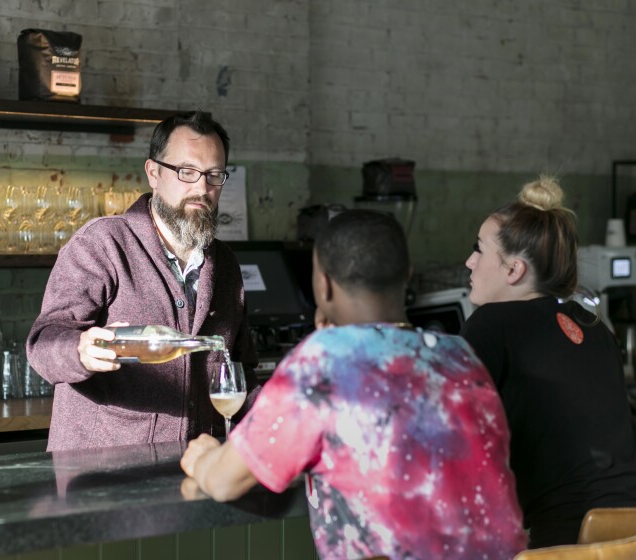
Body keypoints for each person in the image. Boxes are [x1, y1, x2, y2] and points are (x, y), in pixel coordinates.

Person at [180, 209, 527, 560]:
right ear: (406, 276)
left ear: (323, 285)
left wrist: (204, 458)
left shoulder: (322, 361)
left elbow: (225, 481)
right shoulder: (461, 357)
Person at [27, 110, 259, 451]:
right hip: (102, 471)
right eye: (187, 172)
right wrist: (81, 350)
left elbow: (241, 372)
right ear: (153, 173)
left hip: (194, 469)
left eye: (214, 175)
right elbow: (43, 342)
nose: (202, 188)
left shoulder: (225, 264)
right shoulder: (102, 243)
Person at [460, 175, 636, 548]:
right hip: (628, 531)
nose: (470, 261)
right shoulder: (595, 327)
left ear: (514, 270)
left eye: (479, 249)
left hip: (565, 541)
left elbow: (454, 430)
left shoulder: (492, 324)